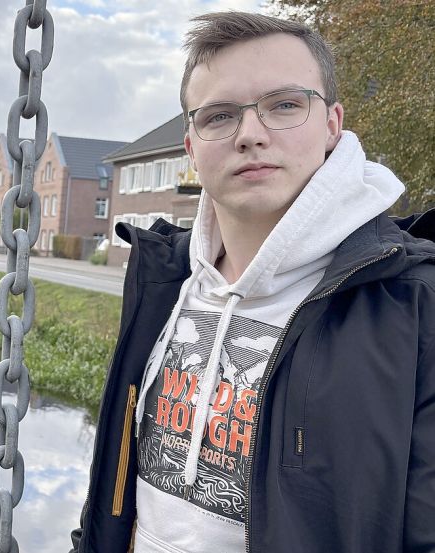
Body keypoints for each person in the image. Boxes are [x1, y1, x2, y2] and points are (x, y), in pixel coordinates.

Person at [71, 11, 434, 553]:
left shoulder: (410, 302)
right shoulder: (164, 278)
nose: (250, 135)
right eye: (218, 116)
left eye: (285, 105)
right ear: (191, 148)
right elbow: (117, 491)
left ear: (332, 123)